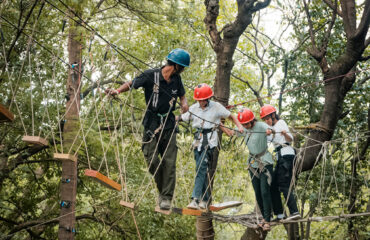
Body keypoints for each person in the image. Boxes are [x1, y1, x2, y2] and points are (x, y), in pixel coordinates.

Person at [106, 48, 190, 210]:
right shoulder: (151, 75)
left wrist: (184, 103)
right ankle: (162, 190)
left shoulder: (177, 79)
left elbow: (182, 95)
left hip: (169, 123)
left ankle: (166, 197)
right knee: (152, 160)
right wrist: (117, 91)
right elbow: (131, 83)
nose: (184, 70)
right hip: (151, 122)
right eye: (183, 67)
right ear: (177, 65)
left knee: (170, 162)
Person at [179, 84, 244, 210]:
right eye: (199, 100)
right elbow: (183, 117)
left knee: (201, 168)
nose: (201, 102)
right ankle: (205, 198)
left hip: (209, 142)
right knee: (200, 168)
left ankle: (195, 199)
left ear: (208, 98)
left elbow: (231, 116)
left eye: (203, 99)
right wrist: (170, 119)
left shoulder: (216, 107)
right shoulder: (194, 108)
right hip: (197, 141)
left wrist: (239, 126)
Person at [221, 108, 274, 231]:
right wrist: (220, 124)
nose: (245, 126)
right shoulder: (244, 128)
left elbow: (270, 130)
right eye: (243, 124)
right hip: (252, 164)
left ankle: (267, 220)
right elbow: (230, 133)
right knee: (258, 192)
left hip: (265, 162)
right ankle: (264, 217)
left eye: (246, 123)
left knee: (265, 191)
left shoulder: (261, 126)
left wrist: (269, 131)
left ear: (252, 120)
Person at [260, 105, 301, 221]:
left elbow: (290, 139)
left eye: (268, 118)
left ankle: (294, 211)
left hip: (287, 154)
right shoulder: (270, 129)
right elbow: (266, 139)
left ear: (273, 115)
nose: (267, 121)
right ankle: (280, 214)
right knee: (273, 186)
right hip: (279, 157)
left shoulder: (281, 123)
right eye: (265, 119)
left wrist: (285, 134)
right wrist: (264, 134)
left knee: (283, 184)